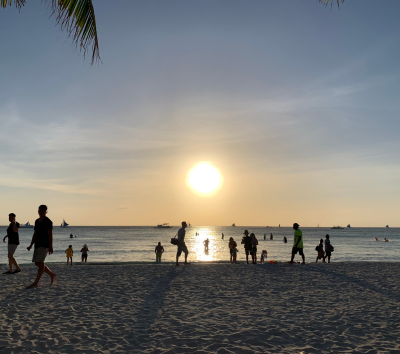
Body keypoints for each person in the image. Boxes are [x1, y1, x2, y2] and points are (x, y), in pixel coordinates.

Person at [26, 205, 56, 288]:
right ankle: (51, 274)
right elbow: (35, 234)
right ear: (38, 211)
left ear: (46, 212)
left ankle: (36, 283)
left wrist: (51, 247)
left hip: (44, 245)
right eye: (40, 210)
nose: (41, 211)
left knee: (40, 262)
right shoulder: (36, 221)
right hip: (37, 244)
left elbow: (50, 235)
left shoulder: (48, 222)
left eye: (43, 210)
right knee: (37, 263)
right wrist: (31, 245)